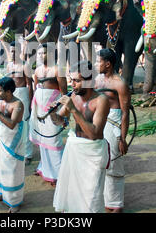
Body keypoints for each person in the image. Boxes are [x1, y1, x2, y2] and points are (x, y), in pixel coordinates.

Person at [51, 60, 110, 213]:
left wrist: (73, 110)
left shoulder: (101, 100)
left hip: (93, 151)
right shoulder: (74, 97)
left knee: (92, 196)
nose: (72, 84)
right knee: (73, 194)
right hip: (75, 150)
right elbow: (60, 122)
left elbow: (95, 134)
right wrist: (52, 113)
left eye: (77, 80)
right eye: (71, 80)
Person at [95, 49, 131, 213]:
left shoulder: (120, 84)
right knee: (101, 162)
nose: (97, 64)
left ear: (108, 64)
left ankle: (116, 204)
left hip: (114, 123)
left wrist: (122, 138)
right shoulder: (97, 80)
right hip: (99, 122)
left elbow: (125, 112)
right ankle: (106, 199)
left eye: (99, 61)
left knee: (114, 163)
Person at [0, 77, 26, 213]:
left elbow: (11, 124)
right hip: (0, 137)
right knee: (0, 165)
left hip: (13, 140)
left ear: (8, 91)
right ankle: (2, 193)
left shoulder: (18, 104)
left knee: (12, 168)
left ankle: (15, 202)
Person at [29, 43, 67, 185]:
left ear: (51, 54)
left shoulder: (58, 70)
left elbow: (64, 93)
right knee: (42, 140)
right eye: (39, 54)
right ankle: (44, 168)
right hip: (39, 109)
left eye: (43, 53)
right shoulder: (37, 71)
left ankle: (58, 174)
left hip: (53, 110)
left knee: (53, 140)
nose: (40, 56)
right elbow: (36, 88)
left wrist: (64, 114)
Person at [7, 41, 34, 165]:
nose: (12, 53)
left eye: (15, 51)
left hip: (22, 94)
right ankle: (15, 149)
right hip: (11, 95)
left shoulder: (25, 65)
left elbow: (29, 84)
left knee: (24, 123)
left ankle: (28, 154)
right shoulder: (9, 66)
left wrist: (30, 102)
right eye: (11, 51)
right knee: (12, 122)